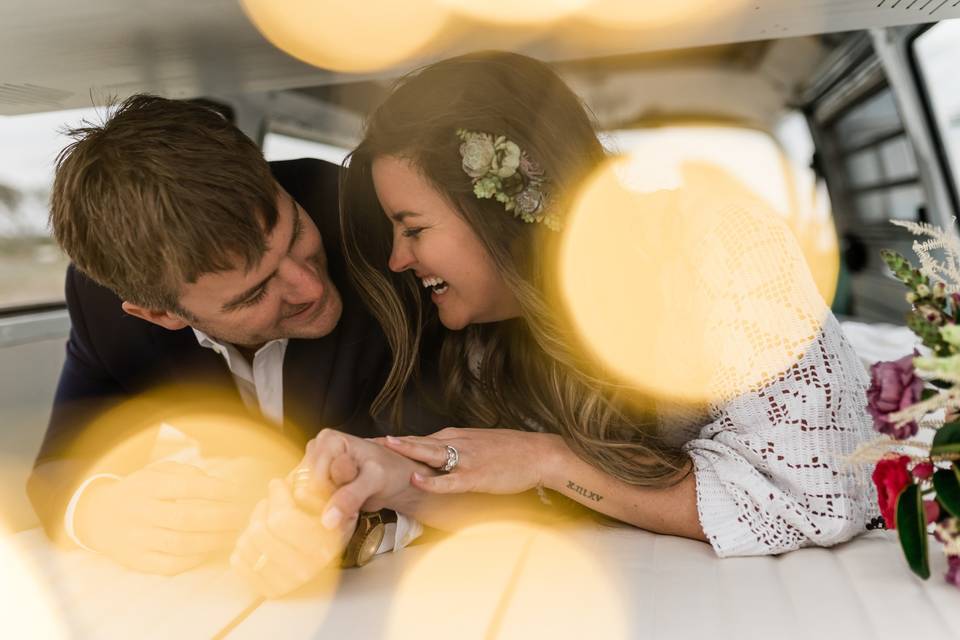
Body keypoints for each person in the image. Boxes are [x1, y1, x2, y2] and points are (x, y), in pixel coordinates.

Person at [290, 50, 876, 572]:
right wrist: (394, 482)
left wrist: (548, 459)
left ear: (501, 213)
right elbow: (540, 499)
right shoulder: (488, 337)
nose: (396, 259)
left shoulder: (720, 245)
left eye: (412, 228)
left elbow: (812, 497)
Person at [28, 95, 448, 583]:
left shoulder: (373, 222)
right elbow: (60, 465)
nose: (309, 287)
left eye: (295, 236)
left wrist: (349, 519)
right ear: (158, 313)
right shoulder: (102, 307)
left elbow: (459, 431)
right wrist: (101, 511)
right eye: (254, 293)